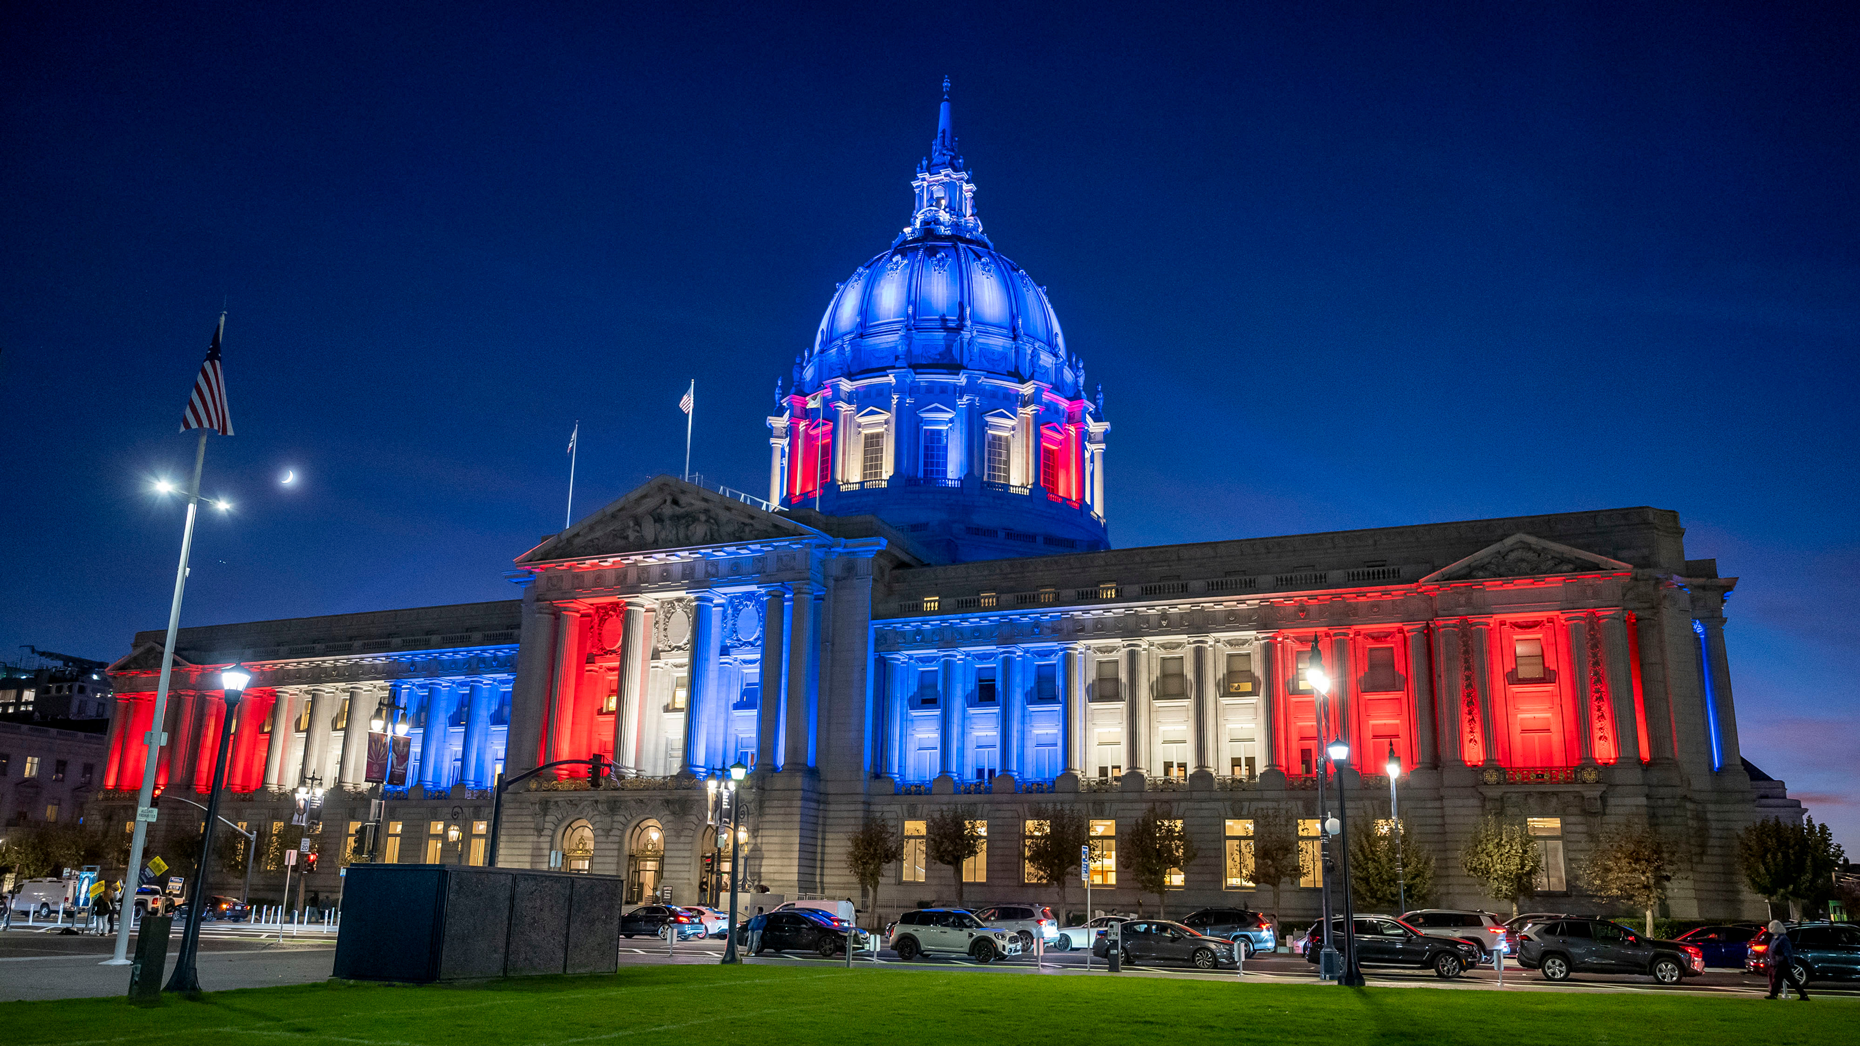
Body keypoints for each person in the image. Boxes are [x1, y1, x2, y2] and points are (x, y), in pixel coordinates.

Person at [1764, 920, 1809, 1001]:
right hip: (1778, 962)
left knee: (1779, 979)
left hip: (1782, 962)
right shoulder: (1776, 938)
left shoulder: (1782, 939)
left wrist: (1791, 962)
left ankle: (1773, 994)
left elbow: (1788, 951)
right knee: (1790, 980)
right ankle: (1803, 995)